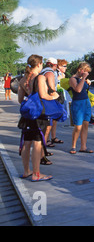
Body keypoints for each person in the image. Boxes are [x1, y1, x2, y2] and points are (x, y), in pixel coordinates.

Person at [17, 54, 58, 182]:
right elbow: (43, 95)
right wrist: (55, 97)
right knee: (37, 143)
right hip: (38, 114)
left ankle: (26, 171)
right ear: (39, 64)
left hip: (27, 114)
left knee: (27, 142)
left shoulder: (23, 80)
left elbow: (19, 99)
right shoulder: (40, 77)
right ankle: (36, 174)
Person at [69, 62, 94, 154]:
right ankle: (73, 146)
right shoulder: (73, 79)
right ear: (80, 69)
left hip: (86, 102)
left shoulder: (81, 79)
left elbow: (84, 90)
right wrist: (83, 78)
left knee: (85, 124)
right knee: (78, 126)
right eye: (85, 71)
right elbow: (78, 90)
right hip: (78, 103)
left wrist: (87, 82)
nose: (86, 74)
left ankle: (83, 146)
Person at [49, 59, 68, 144]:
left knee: (55, 119)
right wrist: (59, 78)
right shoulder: (54, 73)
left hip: (60, 96)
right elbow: (51, 83)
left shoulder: (61, 74)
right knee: (51, 118)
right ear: (59, 66)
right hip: (54, 96)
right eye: (64, 66)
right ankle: (46, 139)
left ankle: (53, 137)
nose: (66, 68)